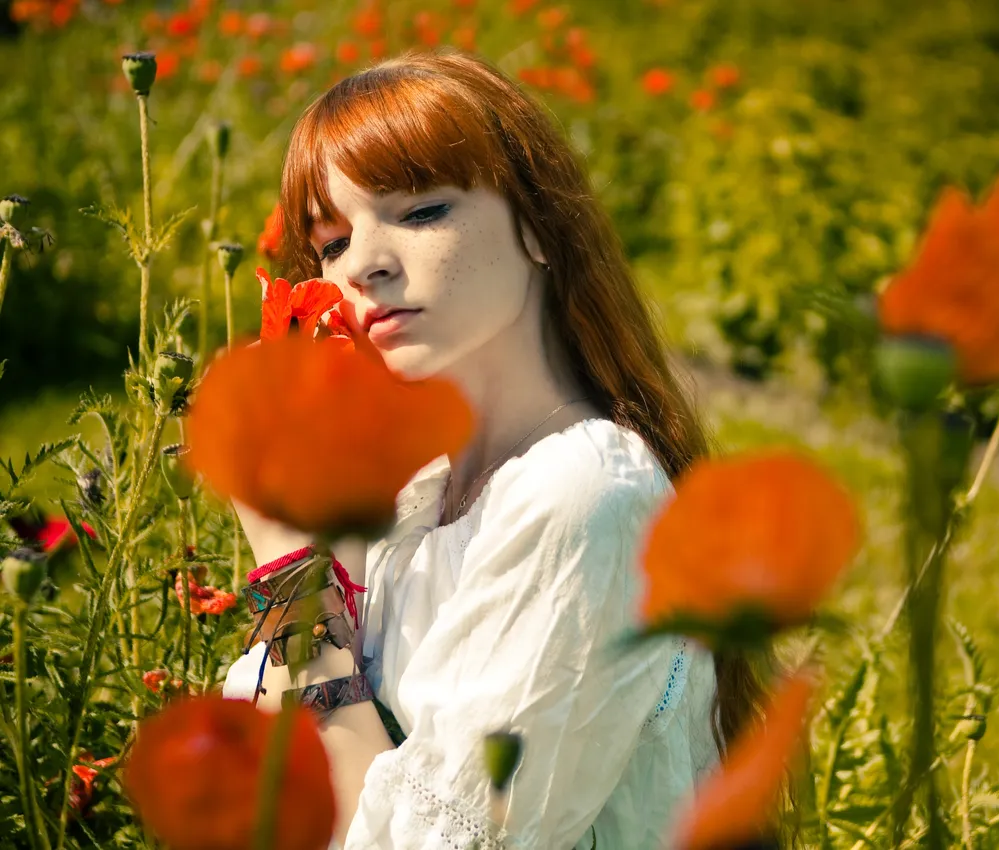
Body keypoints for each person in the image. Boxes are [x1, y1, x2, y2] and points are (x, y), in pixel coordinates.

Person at [220, 50, 784, 849]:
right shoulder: (416, 495)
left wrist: (291, 581)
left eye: (419, 212)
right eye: (333, 242)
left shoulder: (583, 496)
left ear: (539, 228)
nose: (367, 265)